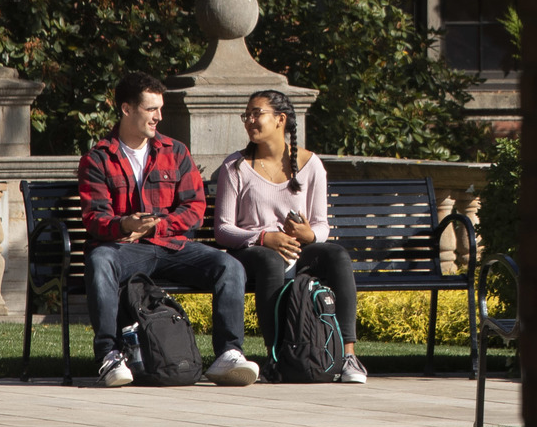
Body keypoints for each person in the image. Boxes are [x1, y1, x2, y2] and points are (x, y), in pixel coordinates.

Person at [78, 72, 261, 388]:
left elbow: (194, 208)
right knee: (100, 260)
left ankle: (228, 354)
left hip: (171, 245)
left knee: (229, 266)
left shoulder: (175, 151)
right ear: (126, 109)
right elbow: (95, 218)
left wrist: (158, 225)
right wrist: (124, 225)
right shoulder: (98, 158)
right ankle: (109, 355)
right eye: (151, 109)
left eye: (159, 109)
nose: (159, 117)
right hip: (125, 249)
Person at [210, 88, 370, 384]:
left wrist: (309, 234)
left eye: (257, 114)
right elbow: (223, 229)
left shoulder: (311, 166)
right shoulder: (236, 167)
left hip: (298, 251)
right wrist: (262, 237)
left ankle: (348, 355)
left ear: (280, 119)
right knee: (270, 260)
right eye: (247, 115)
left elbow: (322, 226)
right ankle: (276, 357)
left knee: (336, 255)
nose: (250, 121)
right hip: (252, 254)